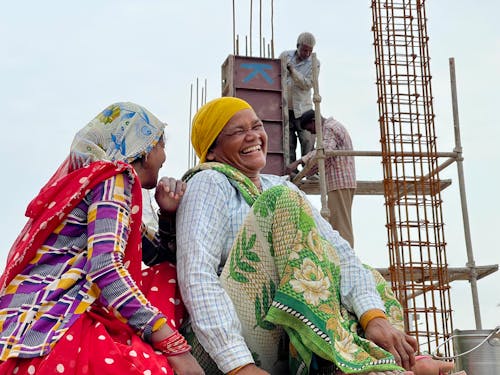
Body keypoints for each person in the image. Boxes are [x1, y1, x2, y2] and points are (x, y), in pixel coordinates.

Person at [176, 97, 458, 375]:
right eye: (238, 132)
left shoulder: (279, 185)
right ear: (212, 150)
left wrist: (374, 317)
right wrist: (238, 365)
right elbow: (197, 275)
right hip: (227, 348)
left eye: (256, 126)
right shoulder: (209, 181)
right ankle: (357, 366)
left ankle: (393, 359)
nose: (253, 136)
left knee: (362, 273)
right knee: (281, 203)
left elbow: (339, 251)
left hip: (283, 339)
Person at [0, 102, 204, 375]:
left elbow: (152, 253)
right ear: (143, 149)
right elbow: (105, 267)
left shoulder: (90, 183)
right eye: (160, 144)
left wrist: (166, 216)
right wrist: (172, 343)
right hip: (55, 319)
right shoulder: (114, 179)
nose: (164, 155)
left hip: (18, 321)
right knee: (167, 278)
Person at [286, 110, 356, 249]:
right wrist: (304, 172)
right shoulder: (329, 129)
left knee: (340, 226)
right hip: (339, 182)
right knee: (336, 223)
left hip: (339, 181)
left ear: (314, 121)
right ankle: (342, 258)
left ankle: (346, 261)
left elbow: (324, 151)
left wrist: (299, 161)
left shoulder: (329, 128)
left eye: (309, 129)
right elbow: (322, 160)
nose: (311, 133)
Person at [279, 32, 319, 165]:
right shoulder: (285, 56)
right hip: (285, 108)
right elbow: (276, 75)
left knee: (308, 140)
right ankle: (292, 172)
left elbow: (307, 84)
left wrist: (292, 71)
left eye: (310, 50)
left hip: (303, 110)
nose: (307, 53)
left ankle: (310, 171)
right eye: (304, 50)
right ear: (298, 46)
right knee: (288, 143)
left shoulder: (314, 63)